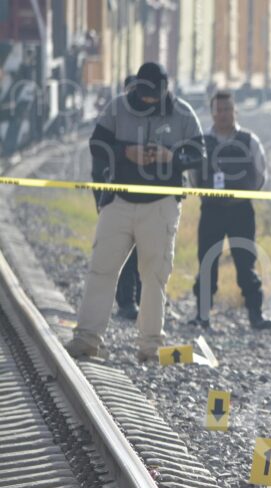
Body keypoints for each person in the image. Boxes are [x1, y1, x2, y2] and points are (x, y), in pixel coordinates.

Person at [66, 62, 205, 362]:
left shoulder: (183, 114)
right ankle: (87, 339)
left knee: (154, 276)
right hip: (119, 200)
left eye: (153, 95)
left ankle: (150, 346)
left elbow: (198, 154)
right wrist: (124, 152)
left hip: (161, 203)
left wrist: (171, 157)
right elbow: (96, 144)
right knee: (101, 269)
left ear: (166, 89)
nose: (147, 100)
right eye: (143, 94)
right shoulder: (117, 107)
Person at [192, 90, 271, 330]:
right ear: (212, 112)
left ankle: (255, 315)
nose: (224, 114)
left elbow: (261, 175)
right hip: (211, 210)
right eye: (219, 110)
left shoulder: (250, 140)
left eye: (228, 109)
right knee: (207, 261)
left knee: (246, 262)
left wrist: (242, 193)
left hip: (241, 211)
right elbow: (194, 177)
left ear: (235, 111)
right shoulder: (202, 142)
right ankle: (202, 315)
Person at [108, 75, 141, 321]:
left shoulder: (157, 123)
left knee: (150, 256)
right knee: (124, 255)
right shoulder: (115, 122)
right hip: (120, 200)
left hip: (150, 203)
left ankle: (144, 300)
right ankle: (126, 303)